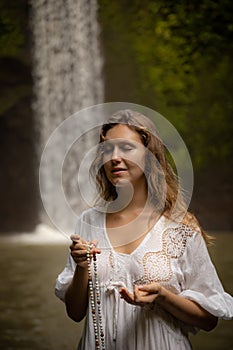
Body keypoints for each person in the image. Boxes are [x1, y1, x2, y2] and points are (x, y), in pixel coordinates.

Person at [55, 109, 233, 350]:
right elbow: (75, 313)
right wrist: (82, 268)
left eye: (126, 148)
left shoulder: (180, 226)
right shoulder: (88, 222)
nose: (114, 158)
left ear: (150, 156)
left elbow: (209, 320)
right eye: (107, 150)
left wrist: (163, 297)